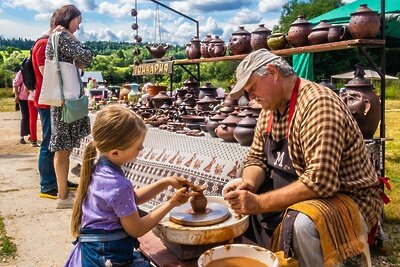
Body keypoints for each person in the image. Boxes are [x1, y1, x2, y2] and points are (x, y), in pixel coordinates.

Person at [224, 49, 384, 266]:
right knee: (244, 205)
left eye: (252, 88)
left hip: (347, 197)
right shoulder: (269, 110)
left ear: (273, 72)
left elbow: (321, 183)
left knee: (303, 224)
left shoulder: (318, 105)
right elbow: (256, 159)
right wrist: (248, 185)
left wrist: (259, 203)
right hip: (304, 189)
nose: (251, 98)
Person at [65, 105, 194, 266]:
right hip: (107, 255)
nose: (141, 149)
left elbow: (129, 201)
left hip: (95, 249)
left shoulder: (100, 167)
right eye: (138, 147)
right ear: (115, 152)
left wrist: (165, 182)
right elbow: (136, 229)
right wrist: (172, 203)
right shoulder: (118, 185)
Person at [45, 4, 93, 208]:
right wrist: (73, 39)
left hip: (63, 98)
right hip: (66, 99)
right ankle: (63, 197)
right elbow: (87, 56)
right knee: (63, 148)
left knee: (63, 147)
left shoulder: (56, 38)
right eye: (78, 22)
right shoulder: (62, 38)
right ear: (69, 19)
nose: (78, 27)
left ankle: (62, 194)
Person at [32, 9, 73, 200]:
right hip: (49, 102)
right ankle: (47, 185)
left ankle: (58, 180)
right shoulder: (43, 44)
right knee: (49, 144)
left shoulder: (47, 43)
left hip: (53, 101)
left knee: (55, 144)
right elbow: (46, 73)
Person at [13, 70, 30, 144]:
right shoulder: (21, 72)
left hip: (32, 98)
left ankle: (31, 135)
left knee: (32, 117)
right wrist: (16, 96)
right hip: (22, 98)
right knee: (25, 116)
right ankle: (22, 137)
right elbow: (16, 84)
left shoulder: (34, 70)